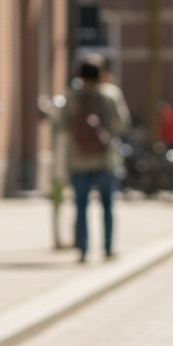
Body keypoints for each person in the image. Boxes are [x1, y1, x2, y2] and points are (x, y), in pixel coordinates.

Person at [60, 56, 131, 262]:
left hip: (78, 158)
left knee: (80, 205)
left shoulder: (72, 96)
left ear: (79, 75)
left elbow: (63, 125)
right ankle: (107, 248)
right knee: (107, 204)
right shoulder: (110, 95)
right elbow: (121, 124)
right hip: (105, 159)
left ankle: (83, 249)